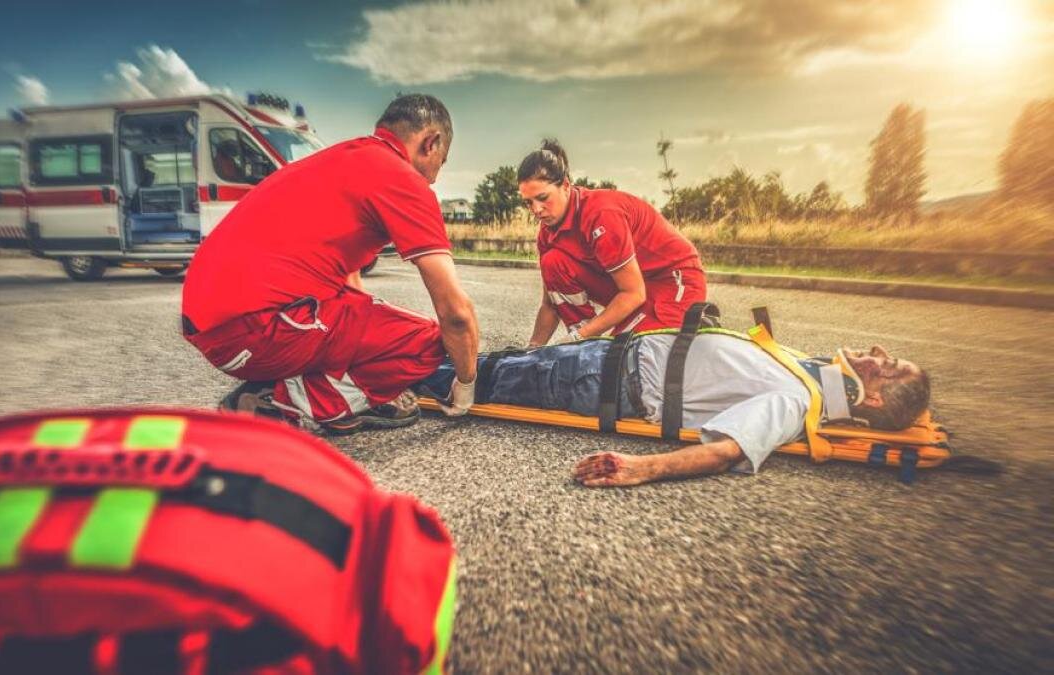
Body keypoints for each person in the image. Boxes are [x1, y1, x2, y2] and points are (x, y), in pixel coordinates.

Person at [181, 94, 480, 434]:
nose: (435, 179)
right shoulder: (404, 180)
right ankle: (283, 399)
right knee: (426, 342)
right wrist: (465, 386)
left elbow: (347, 278)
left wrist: (357, 344)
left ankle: (295, 385)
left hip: (210, 322)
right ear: (432, 142)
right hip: (251, 332)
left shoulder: (341, 159)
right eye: (441, 162)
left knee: (369, 318)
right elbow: (456, 314)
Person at [419, 333, 930, 487]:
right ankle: (390, 360)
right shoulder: (813, 374)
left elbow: (728, 449)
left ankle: (378, 374)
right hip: (612, 359)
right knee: (492, 364)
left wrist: (640, 469)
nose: (879, 355)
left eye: (889, 366)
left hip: (604, 381)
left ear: (876, 398)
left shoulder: (797, 401)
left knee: (484, 379)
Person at [518, 140, 706, 347]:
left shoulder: (602, 214)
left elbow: (633, 293)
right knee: (552, 261)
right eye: (529, 202)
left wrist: (579, 336)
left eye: (543, 198)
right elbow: (550, 305)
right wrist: (531, 349)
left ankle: (681, 325)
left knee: (625, 353)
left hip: (673, 280)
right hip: (632, 285)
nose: (536, 210)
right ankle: (589, 343)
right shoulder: (547, 233)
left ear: (565, 186)